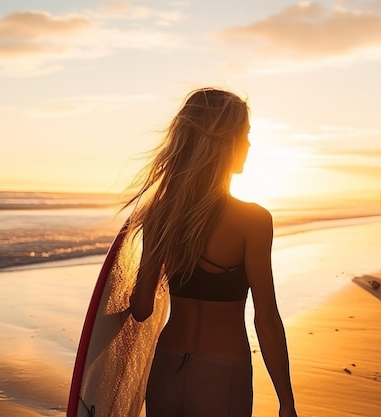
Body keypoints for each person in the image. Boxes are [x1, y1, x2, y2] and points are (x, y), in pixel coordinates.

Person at [123, 88, 298, 417]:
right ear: (227, 142)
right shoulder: (253, 221)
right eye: (245, 135)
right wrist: (286, 401)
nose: (249, 145)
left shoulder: (161, 215)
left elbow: (142, 308)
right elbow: (267, 319)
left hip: (166, 368)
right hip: (222, 375)